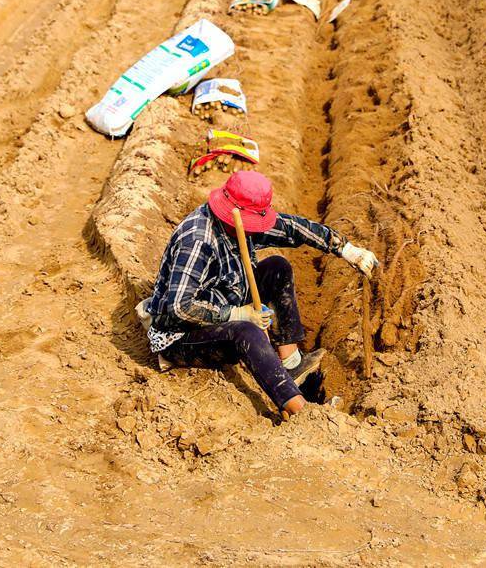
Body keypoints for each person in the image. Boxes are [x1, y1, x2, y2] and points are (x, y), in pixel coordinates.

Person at [136, 170, 379, 418]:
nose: (257, 230)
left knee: (277, 268)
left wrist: (345, 249)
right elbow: (179, 308)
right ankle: (302, 412)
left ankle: (292, 364)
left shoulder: (238, 225)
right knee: (246, 331)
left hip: (225, 296)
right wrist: (237, 314)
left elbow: (290, 227)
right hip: (182, 335)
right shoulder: (198, 241)